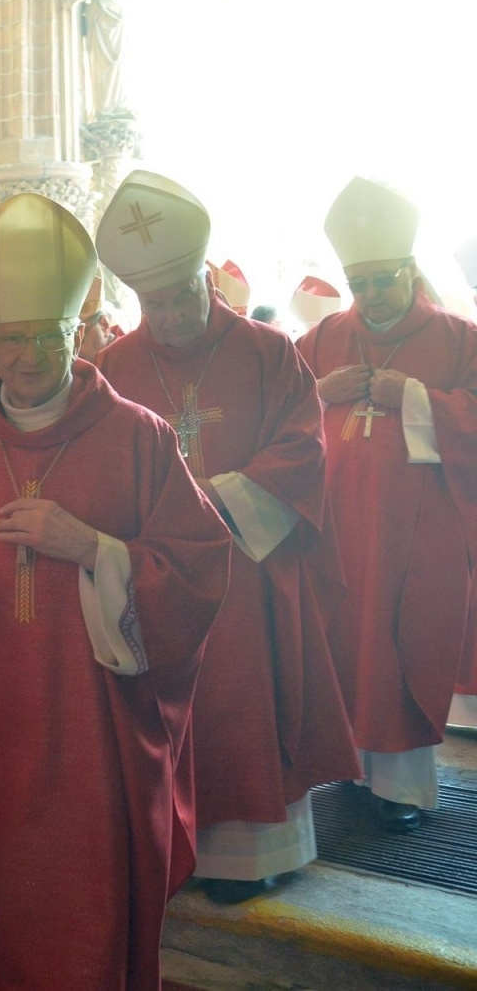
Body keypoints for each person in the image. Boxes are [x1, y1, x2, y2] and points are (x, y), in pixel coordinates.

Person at [0, 192, 229, 990]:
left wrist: (95, 550)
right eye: (8, 338)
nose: (27, 356)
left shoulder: (139, 435)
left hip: (96, 731)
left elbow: (201, 567)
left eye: (46, 335)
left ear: (80, 326)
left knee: (86, 916)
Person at [94, 170, 359, 903]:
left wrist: (210, 505)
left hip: (247, 567)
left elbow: (302, 450)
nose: (174, 313)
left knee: (243, 698)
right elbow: (103, 464)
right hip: (161, 573)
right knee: (168, 703)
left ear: (207, 277)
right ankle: (167, 841)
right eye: (157, 301)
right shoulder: (113, 368)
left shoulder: (270, 352)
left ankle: (252, 854)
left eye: (185, 294)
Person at [296, 177, 477, 831]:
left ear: (408, 270)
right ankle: (351, 771)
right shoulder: (318, 344)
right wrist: (321, 391)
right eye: (359, 282)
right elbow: (277, 421)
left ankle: (402, 790)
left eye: (382, 280)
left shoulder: (460, 340)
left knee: (402, 646)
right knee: (344, 644)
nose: (369, 295)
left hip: (421, 534)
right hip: (337, 529)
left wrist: (418, 398)